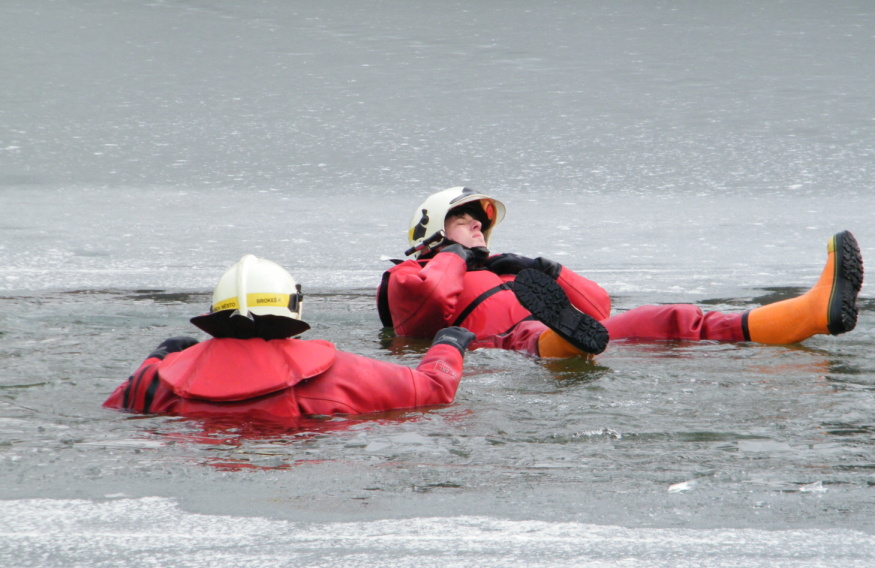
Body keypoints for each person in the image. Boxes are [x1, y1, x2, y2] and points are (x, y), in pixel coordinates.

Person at [377, 186, 864, 358]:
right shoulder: (409, 275)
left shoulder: (507, 268)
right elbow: (429, 305)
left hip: (578, 329)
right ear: (432, 232)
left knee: (670, 316)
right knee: (533, 332)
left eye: (479, 221)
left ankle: (813, 313)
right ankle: (563, 338)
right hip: (502, 345)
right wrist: (454, 257)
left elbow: (599, 307)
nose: (477, 227)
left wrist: (541, 267)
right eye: (463, 221)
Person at [105, 254, 475, 423]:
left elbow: (120, 403)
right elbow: (434, 391)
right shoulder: (341, 373)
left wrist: (158, 357)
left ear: (216, 311)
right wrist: (448, 344)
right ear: (293, 307)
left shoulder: (157, 381)